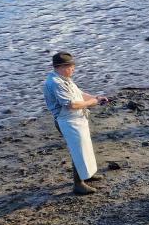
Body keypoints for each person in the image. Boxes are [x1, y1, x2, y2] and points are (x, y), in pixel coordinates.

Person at [43, 52, 108, 195]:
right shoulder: (55, 83)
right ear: (60, 67)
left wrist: (96, 97)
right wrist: (93, 102)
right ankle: (78, 184)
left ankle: (87, 174)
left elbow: (79, 94)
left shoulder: (65, 79)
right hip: (67, 120)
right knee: (77, 151)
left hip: (77, 119)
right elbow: (71, 105)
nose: (73, 69)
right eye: (71, 66)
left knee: (85, 147)